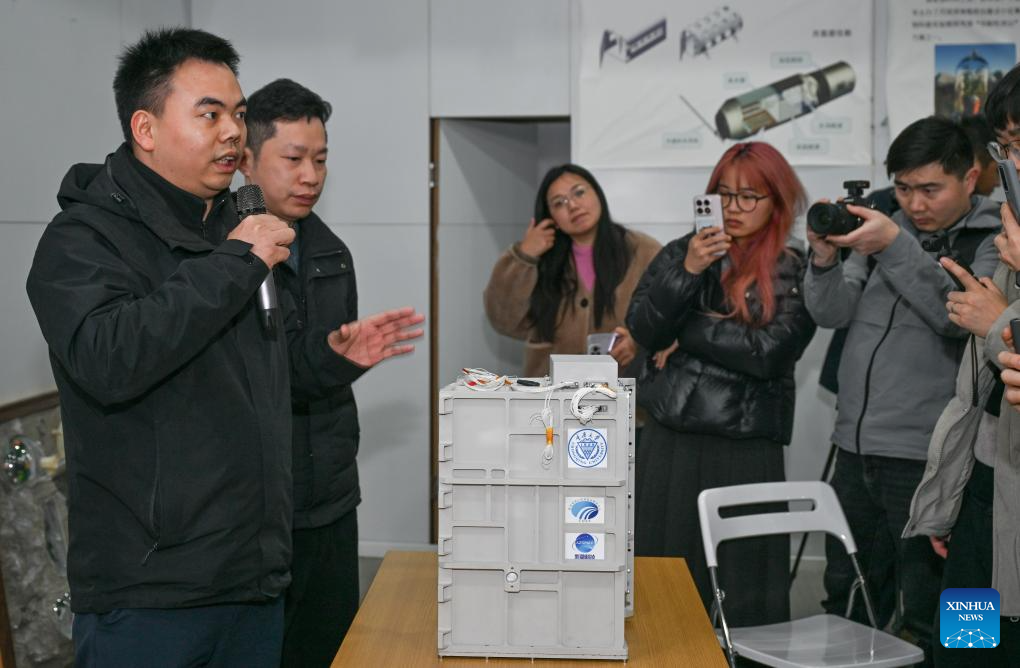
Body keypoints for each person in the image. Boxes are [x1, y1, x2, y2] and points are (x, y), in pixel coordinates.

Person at [25, 29, 422, 668]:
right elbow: (107, 359)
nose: (233, 132)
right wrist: (235, 262)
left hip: (251, 579)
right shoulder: (83, 239)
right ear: (146, 128)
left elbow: (260, 381)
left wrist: (332, 357)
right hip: (151, 593)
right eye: (209, 115)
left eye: (237, 114)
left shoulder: (233, 233)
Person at [805, 115, 1001, 663]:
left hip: (931, 456)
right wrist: (824, 257)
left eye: (930, 189)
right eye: (904, 188)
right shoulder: (884, 228)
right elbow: (832, 313)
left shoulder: (994, 239)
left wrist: (894, 245)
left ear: (970, 177)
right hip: (855, 447)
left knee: (934, 606)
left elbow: (956, 319)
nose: (914, 204)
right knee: (849, 595)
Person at [626, 142, 816, 625]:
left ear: (777, 201)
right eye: (723, 194)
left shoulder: (794, 264)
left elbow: (767, 353)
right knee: (663, 587)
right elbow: (642, 329)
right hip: (671, 439)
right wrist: (689, 271)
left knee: (744, 592)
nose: (733, 208)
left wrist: (685, 331)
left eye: (749, 196)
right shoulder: (683, 251)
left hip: (744, 446)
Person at [238, 78, 359, 667]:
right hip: (257, 509)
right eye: (293, 159)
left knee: (332, 648)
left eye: (321, 159)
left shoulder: (332, 252)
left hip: (330, 496)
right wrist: (335, 356)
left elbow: (323, 370)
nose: (311, 175)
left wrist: (346, 355)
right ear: (246, 160)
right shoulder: (223, 255)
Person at [904, 64, 1020, 665]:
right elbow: (978, 385)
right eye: (1007, 146)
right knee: (962, 651)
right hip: (983, 489)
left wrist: (998, 321)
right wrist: (951, 497)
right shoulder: (1009, 233)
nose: (1013, 164)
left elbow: (999, 333)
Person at [483, 164, 661, 378]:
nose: (573, 205)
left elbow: (670, 316)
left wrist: (637, 342)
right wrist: (524, 256)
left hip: (621, 389)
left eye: (579, 192)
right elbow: (504, 321)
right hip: (551, 391)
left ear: (598, 194)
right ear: (551, 217)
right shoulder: (542, 259)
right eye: (559, 203)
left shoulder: (642, 250)